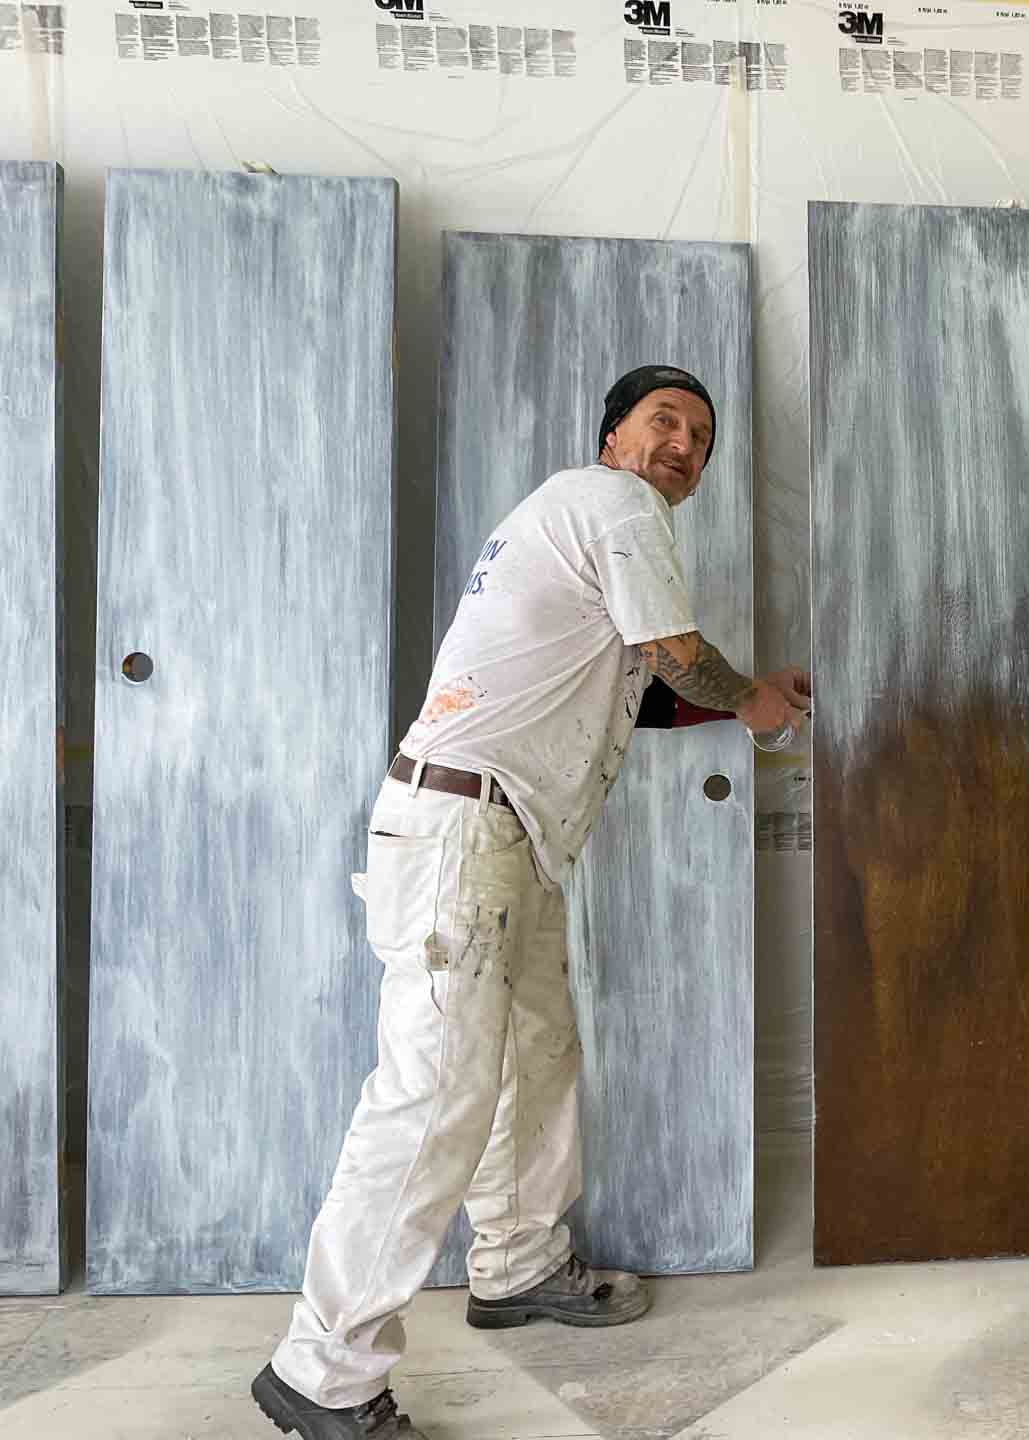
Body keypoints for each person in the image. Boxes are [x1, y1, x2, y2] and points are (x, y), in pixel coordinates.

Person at [252, 365, 809, 1439]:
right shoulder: (618, 505)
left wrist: (739, 701)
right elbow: (675, 659)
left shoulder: (574, 517)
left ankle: (517, 1263)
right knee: (432, 1101)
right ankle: (321, 1373)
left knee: (535, 1053)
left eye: (700, 434)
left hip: (503, 835)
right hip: (468, 835)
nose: (683, 444)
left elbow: (632, 690)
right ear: (613, 438)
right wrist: (755, 704)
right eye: (663, 422)